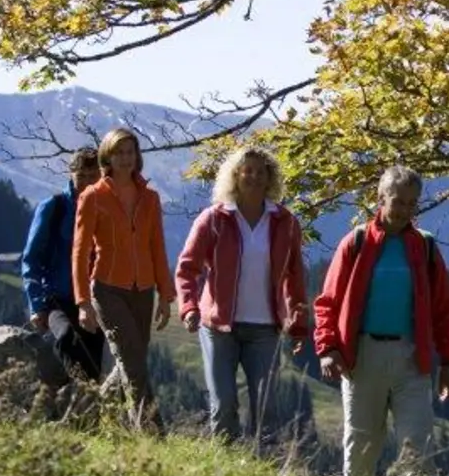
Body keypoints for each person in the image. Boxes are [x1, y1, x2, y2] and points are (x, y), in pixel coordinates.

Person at [314, 165, 449, 476]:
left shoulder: (425, 248)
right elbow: (328, 302)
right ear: (380, 199)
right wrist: (327, 348)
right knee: (361, 445)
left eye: (412, 203)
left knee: (417, 447)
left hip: (412, 358)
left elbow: (443, 309)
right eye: (398, 201)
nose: (405, 210)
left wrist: (448, 361)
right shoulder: (357, 242)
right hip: (362, 357)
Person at [175, 146, 310, 443]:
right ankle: (223, 469)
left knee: (266, 408)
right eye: (247, 170)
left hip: (265, 329)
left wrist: (299, 323)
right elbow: (187, 268)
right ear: (235, 175)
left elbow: (295, 276)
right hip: (219, 327)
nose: (253, 176)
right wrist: (189, 307)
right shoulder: (214, 219)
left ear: (269, 179)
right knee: (223, 405)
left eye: (261, 172)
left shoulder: (284, 222)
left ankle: (262, 473)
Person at [72, 127, 174, 433]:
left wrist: (166, 296)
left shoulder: (151, 197)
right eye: (119, 152)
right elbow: (79, 252)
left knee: (129, 362)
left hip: (143, 291)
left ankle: (91, 415)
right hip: (107, 289)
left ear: (137, 156)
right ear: (108, 156)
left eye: (130, 152)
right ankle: (152, 433)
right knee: (135, 366)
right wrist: (82, 302)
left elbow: (157, 246)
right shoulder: (93, 196)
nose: (126, 158)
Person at [19, 147, 107, 383]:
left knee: (92, 358)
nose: (88, 183)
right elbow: (31, 258)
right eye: (82, 177)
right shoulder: (54, 208)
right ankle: (82, 391)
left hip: (95, 300)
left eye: (93, 177)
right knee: (67, 337)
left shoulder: (106, 210)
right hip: (58, 298)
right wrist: (37, 305)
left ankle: (87, 409)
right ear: (71, 174)